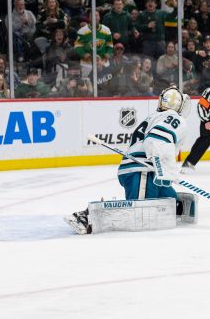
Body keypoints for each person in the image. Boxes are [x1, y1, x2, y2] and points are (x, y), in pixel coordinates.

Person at [66, 86, 193, 235]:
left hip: (142, 169)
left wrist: (164, 171)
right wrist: (163, 168)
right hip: (141, 170)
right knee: (139, 213)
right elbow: (156, 141)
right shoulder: (173, 117)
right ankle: (88, 216)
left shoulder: (154, 117)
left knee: (171, 202)